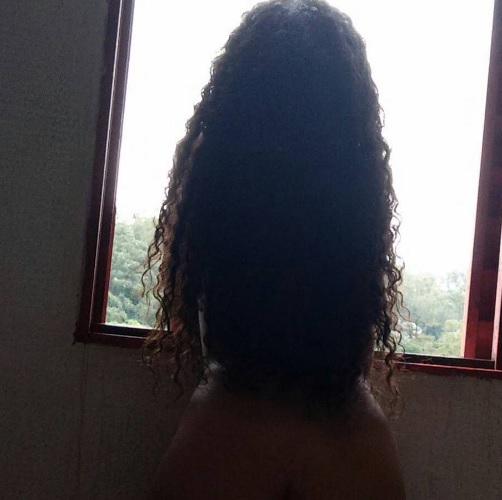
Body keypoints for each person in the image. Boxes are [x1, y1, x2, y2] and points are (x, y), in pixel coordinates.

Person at [144, 0, 405, 497]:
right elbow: (361, 342)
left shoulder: (219, 174)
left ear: (239, 90)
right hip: (348, 437)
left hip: (229, 428)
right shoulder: (356, 182)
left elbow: (198, 318)